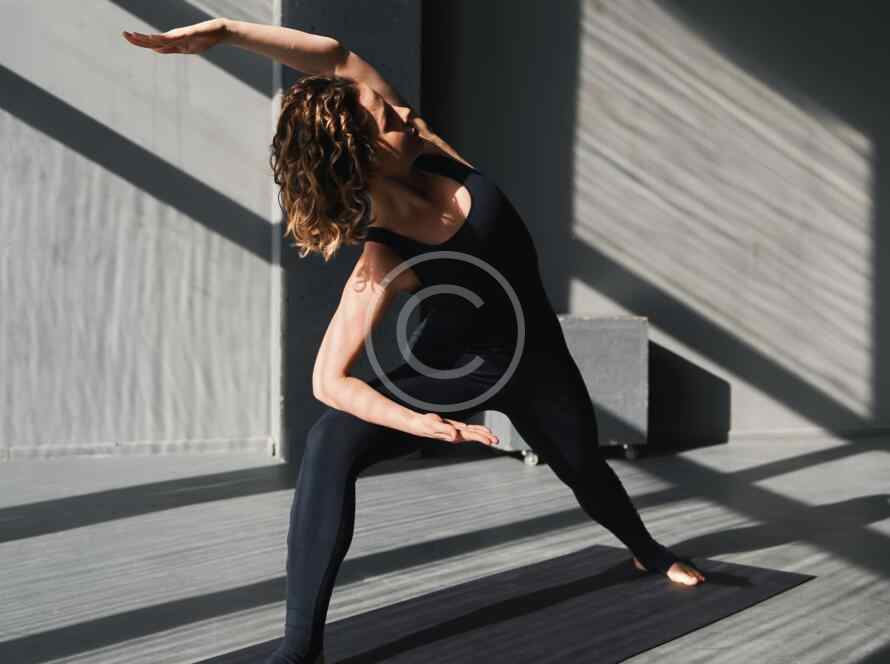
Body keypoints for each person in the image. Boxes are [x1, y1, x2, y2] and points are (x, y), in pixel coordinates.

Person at [123, 17, 706, 664]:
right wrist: (419, 422)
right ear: (365, 157)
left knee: (583, 468)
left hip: (534, 360)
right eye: (388, 117)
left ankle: (647, 551)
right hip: (452, 368)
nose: (403, 109)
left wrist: (228, 32)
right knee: (329, 442)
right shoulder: (383, 257)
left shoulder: (429, 148)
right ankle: (300, 648)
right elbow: (327, 379)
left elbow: (336, 57)